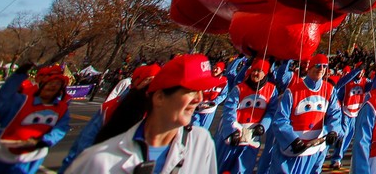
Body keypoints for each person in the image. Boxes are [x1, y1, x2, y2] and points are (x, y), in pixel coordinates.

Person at [66, 53, 225, 173]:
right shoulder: (99, 160)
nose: (199, 99)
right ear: (159, 97)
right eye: (190, 91)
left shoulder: (201, 143)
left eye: (201, 91)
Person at [60, 64, 161, 174]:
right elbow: (83, 146)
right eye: (148, 82)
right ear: (136, 82)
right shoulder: (109, 109)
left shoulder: (157, 116)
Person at [265, 54, 341, 174]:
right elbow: (280, 119)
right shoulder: (292, 91)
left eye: (324, 66)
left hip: (313, 149)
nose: (321, 69)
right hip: (290, 150)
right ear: (309, 68)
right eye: (317, 65)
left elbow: (335, 114)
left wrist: (333, 131)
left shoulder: (330, 90)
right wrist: (293, 140)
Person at [0, 63, 72, 174]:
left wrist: (43, 141)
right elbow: (3, 98)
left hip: (31, 157)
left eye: (58, 84)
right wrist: (17, 76)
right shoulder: (22, 100)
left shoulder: (62, 108)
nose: (53, 86)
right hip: (3, 150)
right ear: (42, 85)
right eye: (51, 83)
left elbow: (60, 129)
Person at [215, 57, 277, 174]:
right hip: (234, 135)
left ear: (265, 73)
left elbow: (271, 111)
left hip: (252, 136)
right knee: (223, 166)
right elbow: (229, 109)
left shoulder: (271, 90)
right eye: (254, 70)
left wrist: (263, 126)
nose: (255, 73)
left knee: (243, 168)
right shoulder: (239, 88)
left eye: (259, 71)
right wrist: (231, 130)